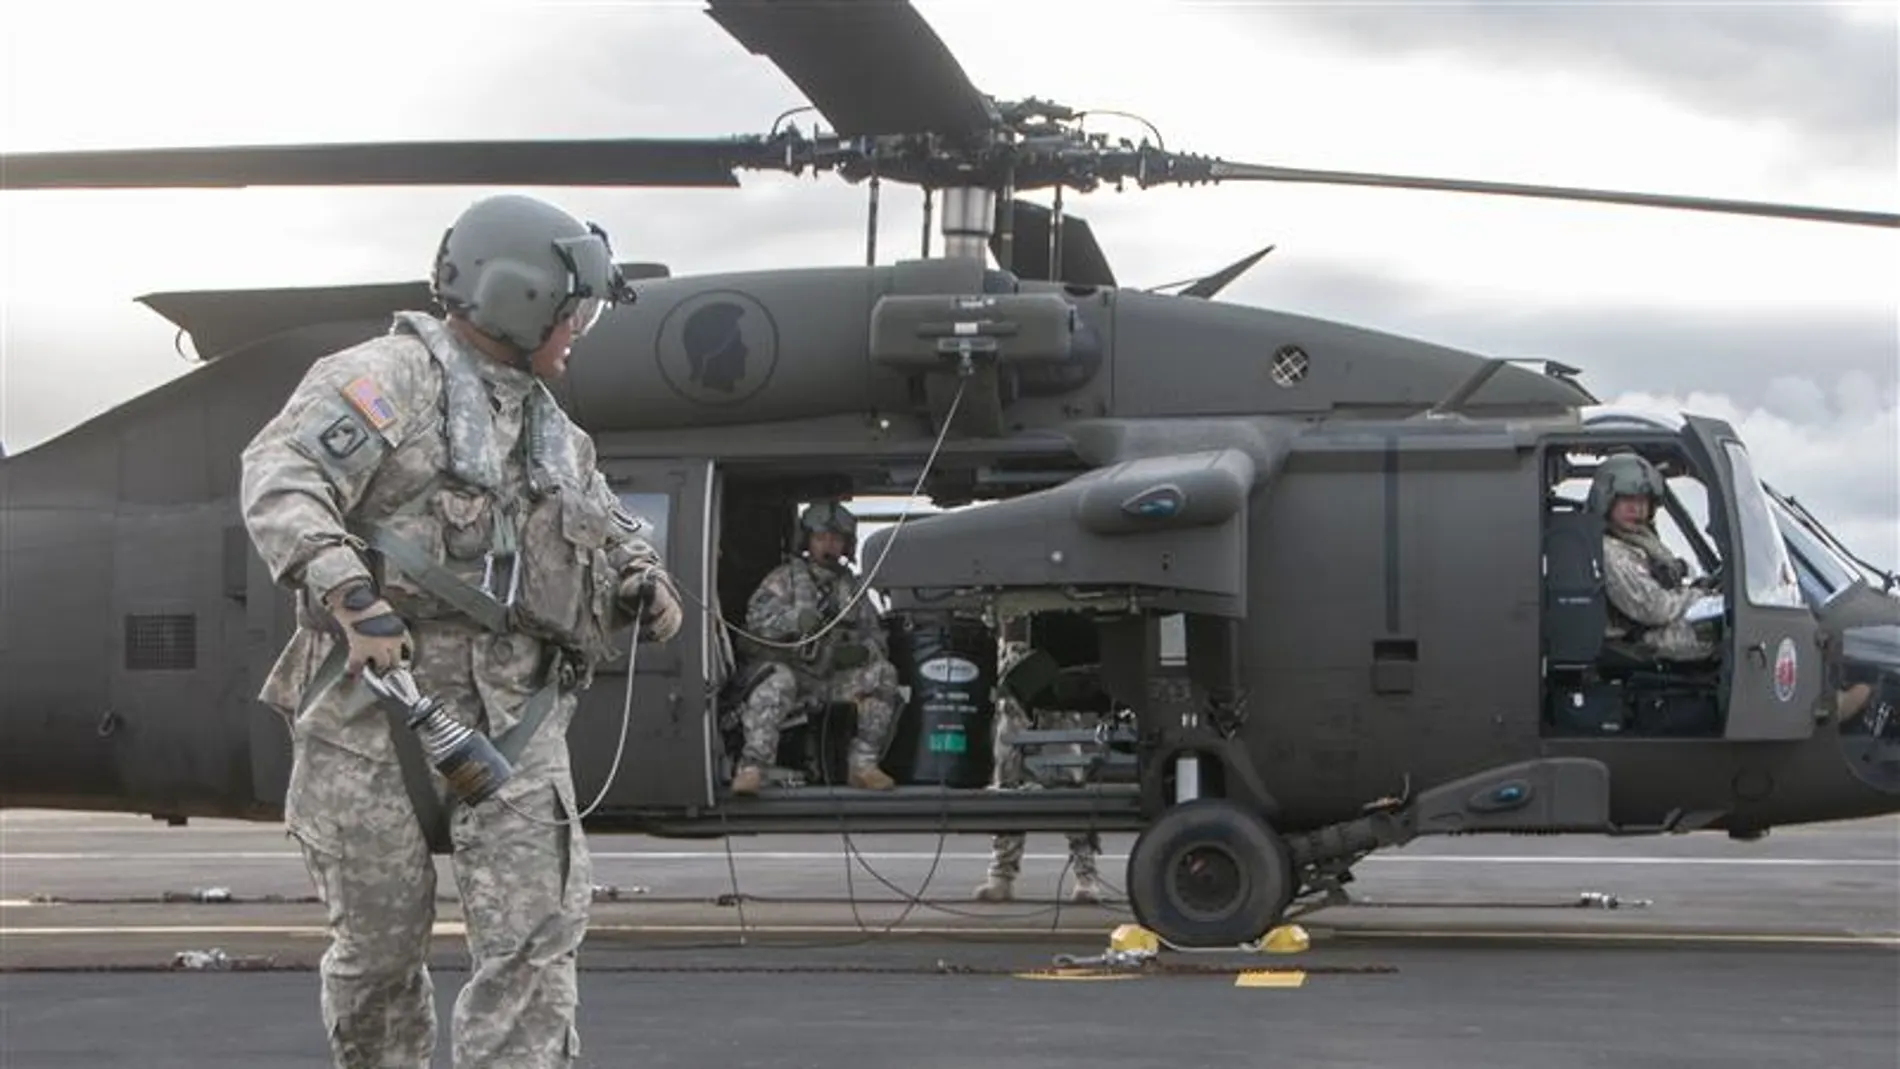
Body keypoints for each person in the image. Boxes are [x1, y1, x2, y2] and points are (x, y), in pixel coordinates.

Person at [240, 192, 683, 1069]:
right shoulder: (382, 381)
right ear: (519, 296)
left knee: (534, 947)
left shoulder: (555, 433)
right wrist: (346, 591)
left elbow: (605, 524)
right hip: (374, 724)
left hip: (513, 728)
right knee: (377, 962)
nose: (579, 327)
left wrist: (644, 578)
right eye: (572, 308)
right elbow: (281, 477)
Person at [726, 500, 899, 794]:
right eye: (821, 538)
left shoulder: (852, 589)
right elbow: (752, 627)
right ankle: (753, 768)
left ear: (846, 544)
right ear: (807, 540)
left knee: (882, 673)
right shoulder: (783, 580)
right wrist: (794, 620)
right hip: (788, 673)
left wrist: (862, 652)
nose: (828, 545)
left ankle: (862, 766)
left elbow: (877, 637)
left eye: (835, 539)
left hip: (829, 678)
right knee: (777, 681)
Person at [973, 639, 1106, 904]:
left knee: (1070, 790)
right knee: (1007, 789)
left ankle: (1086, 877)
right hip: (1012, 696)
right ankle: (1001, 876)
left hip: (1056, 690)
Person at [1590, 454, 1719, 661]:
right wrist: (1698, 596)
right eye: (1627, 499)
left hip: (1650, 629)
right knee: (1717, 634)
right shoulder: (1610, 551)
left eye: (1643, 500)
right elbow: (1655, 608)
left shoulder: (1640, 542)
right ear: (1607, 500)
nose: (1637, 508)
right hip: (1635, 642)